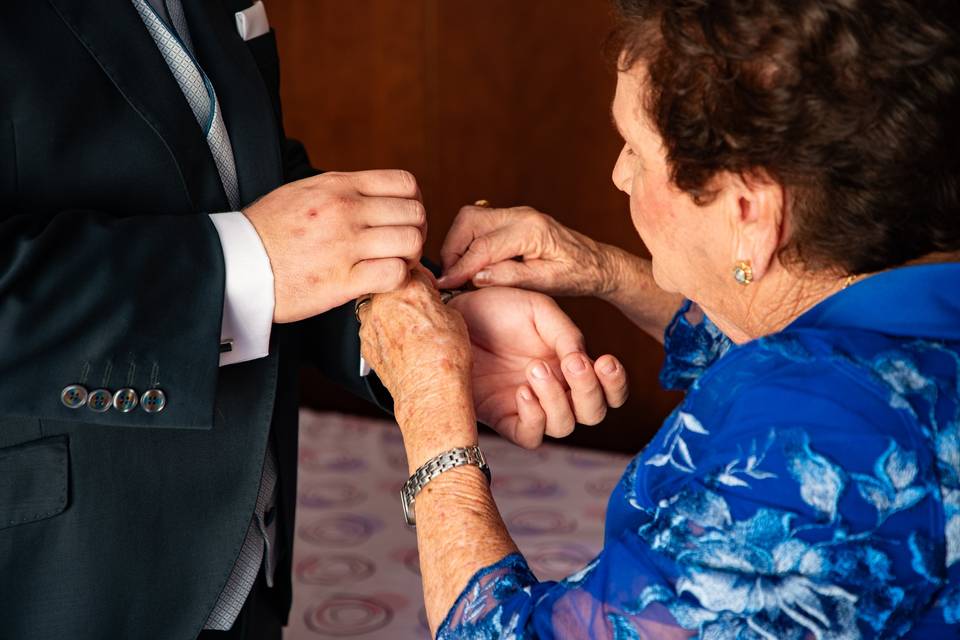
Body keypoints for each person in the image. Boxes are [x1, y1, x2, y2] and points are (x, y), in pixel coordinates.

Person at [0, 2, 626, 638]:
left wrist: (423, 325)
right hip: (66, 574)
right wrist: (247, 262)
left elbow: (243, 176)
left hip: (256, 572)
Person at [359, 0, 960, 637]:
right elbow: (837, 347)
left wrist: (431, 409)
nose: (619, 175)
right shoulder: (914, 314)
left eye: (638, 151)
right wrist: (607, 273)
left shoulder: (802, 443)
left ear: (750, 215)